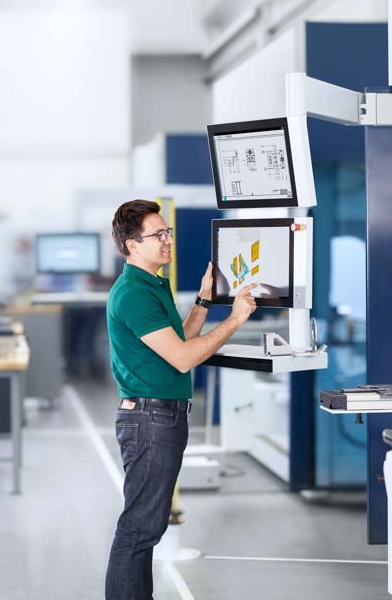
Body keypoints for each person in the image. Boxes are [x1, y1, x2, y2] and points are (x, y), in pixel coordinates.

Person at [105, 200, 257, 599]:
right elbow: (185, 357)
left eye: (168, 232)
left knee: (145, 528)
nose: (168, 240)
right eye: (158, 234)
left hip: (158, 417)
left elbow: (180, 340)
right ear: (133, 245)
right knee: (139, 530)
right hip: (151, 420)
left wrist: (204, 299)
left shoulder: (150, 285)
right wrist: (235, 320)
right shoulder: (134, 294)